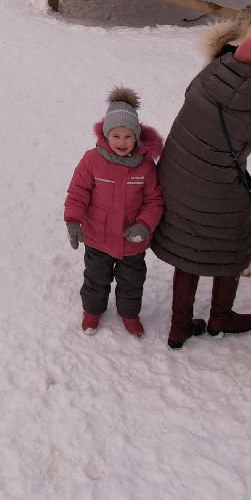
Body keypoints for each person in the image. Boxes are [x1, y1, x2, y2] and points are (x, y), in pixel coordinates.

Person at [152, 36, 251, 350]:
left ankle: (179, 327)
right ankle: (220, 319)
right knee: (232, 249)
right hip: (217, 186)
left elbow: (192, 95)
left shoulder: (212, 73)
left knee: (187, 249)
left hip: (176, 174)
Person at [64, 88, 165, 338]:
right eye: (116, 136)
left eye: (128, 136)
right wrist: (73, 221)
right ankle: (92, 311)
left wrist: (144, 225)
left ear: (137, 137)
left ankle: (129, 314)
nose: (121, 142)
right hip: (98, 237)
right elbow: (78, 192)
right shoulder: (92, 160)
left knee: (132, 281)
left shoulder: (146, 166)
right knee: (96, 279)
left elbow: (154, 201)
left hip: (132, 240)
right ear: (106, 134)